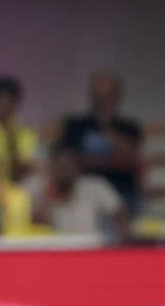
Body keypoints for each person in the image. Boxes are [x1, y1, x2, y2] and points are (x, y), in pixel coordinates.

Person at [58, 69, 144, 214]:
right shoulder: (75, 125)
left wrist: (109, 135)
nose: (103, 99)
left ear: (117, 96)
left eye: (107, 95)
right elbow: (70, 160)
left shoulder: (130, 127)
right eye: (98, 94)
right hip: (84, 192)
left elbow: (133, 159)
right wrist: (113, 159)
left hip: (123, 190)